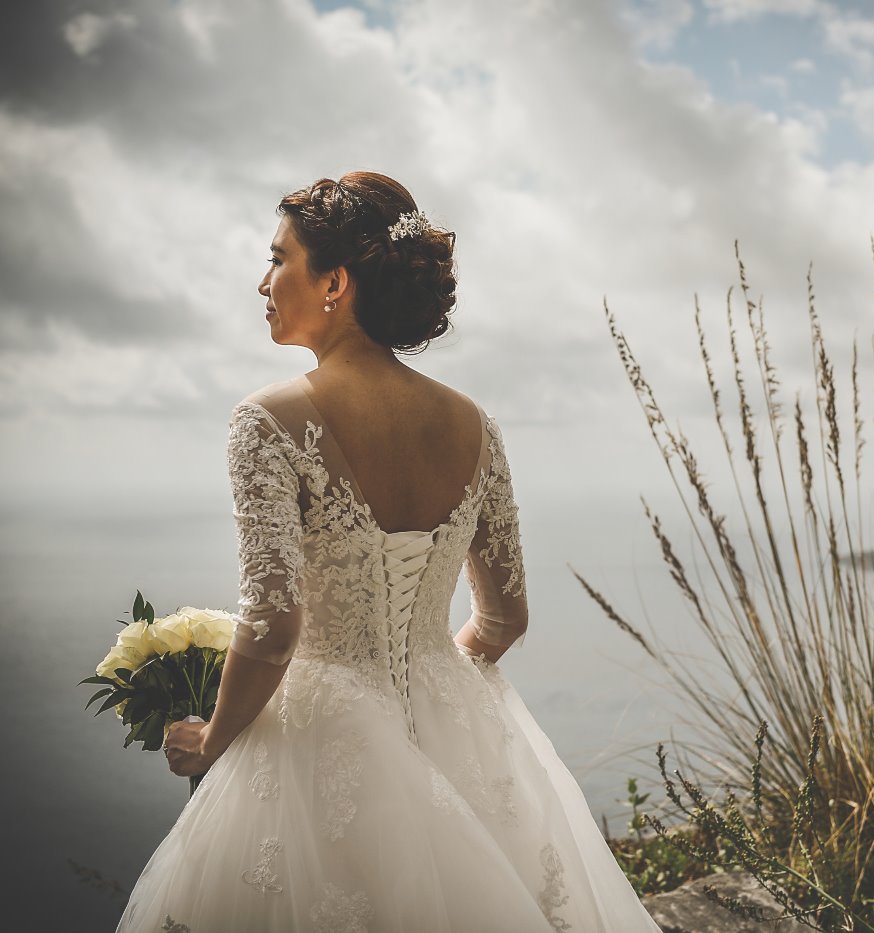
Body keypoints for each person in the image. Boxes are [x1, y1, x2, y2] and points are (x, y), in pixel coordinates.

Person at [116, 172, 662, 932]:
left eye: (278, 259)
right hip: (459, 720)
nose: (262, 280)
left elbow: (273, 626)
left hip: (318, 741)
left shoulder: (265, 421)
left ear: (334, 281)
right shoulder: (476, 426)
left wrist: (214, 737)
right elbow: (505, 620)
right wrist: (432, 670)